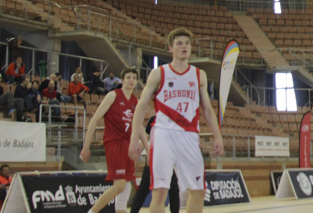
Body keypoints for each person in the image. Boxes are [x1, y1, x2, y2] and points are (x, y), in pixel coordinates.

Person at [129, 28, 224, 213]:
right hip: (164, 134)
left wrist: (218, 136)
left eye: (187, 43)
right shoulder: (159, 73)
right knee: (160, 191)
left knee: (198, 191)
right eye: (179, 43)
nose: (184, 46)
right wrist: (134, 137)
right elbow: (141, 106)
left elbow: (207, 110)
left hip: (189, 136)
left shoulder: (199, 75)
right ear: (170, 48)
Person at [81, 68, 144, 213]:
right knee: (120, 185)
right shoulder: (112, 95)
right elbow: (95, 119)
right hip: (114, 142)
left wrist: (148, 148)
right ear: (122, 80)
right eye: (128, 77)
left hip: (128, 144)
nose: (131, 80)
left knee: (127, 185)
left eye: (134, 78)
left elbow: (140, 127)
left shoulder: (136, 101)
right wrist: (86, 146)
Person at [128, 114, 181, 213]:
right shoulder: (153, 120)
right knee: (143, 190)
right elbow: (146, 138)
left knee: (174, 189)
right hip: (153, 160)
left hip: (166, 161)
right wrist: (139, 151)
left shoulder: (173, 120)